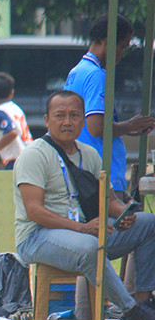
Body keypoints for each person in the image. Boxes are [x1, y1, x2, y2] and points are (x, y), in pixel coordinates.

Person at [13, 90, 155, 320]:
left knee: (148, 222)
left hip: (86, 232)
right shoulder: (33, 155)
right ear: (47, 120)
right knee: (90, 245)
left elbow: (109, 200)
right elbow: (34, 211)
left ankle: (144, 305)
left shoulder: (89, 153)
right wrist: (83, 228)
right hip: (38, 237)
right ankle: (131, 310)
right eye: (60, 116)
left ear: (82, 121)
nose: (67, 122)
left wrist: (123, 214)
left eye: (74, 115)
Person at [65, 14, 154, 197]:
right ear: (108, 41)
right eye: (122, 47)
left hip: (84, 172)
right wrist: (130, 125)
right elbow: (97, 127)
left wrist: (126, 129)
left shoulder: (76, 71)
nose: (122, 54)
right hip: (104, 175)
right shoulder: (97, 75)